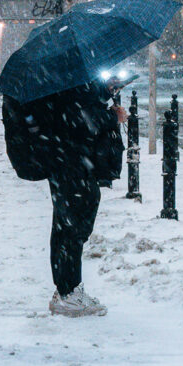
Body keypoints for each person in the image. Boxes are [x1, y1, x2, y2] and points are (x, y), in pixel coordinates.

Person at [46, 78, 127, 317]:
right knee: (73, 228)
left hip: (67, 161)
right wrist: (113, 118)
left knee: (66, 226)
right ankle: (69, 292)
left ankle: (66, 290)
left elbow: (79, 105)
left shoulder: (62, 75)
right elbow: (78, 117)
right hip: (73, 163)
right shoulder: (65, 78)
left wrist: (105, 91)